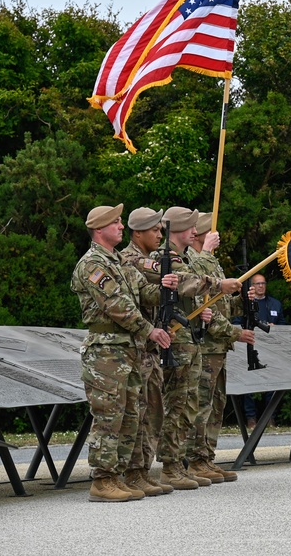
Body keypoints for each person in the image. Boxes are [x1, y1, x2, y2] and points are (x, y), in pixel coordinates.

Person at [71, 204, 176, 502]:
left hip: (127, 351)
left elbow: (144, 293)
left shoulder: (120, 262)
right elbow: (117, 306)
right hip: (106, 352)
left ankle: (126, 474)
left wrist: (168, 288)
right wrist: (149, 330)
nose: (121, 226)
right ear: (99, 229)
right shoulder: (93, 264)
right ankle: (103, 480)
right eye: (116, 223)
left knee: (132, 414)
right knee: (109, 417)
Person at [153, 206, 240, 490]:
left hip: (191, 340)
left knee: (190, 404)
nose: (196, 232)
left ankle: (180, 463)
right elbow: (187, 283)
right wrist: (219, 283)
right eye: (191, 227)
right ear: (178, 229)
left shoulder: (181, 258)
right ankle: (171, 465)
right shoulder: (164, 259)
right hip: (176, 341)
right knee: (178, 405)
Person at [185, 212, 254, 483]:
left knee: (215, 404)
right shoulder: (195, 261)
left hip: (217, 347)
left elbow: (219, 303)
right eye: (210, 233)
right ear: (200, 235)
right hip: (205, 344)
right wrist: (234, 332)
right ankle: (195, 459)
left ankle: (206, 457)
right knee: (201, 404)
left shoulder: (210, 262)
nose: (217, 237)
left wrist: (240, 302)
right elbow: (204, 307)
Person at [118, 206, 173, 496]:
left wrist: (167, 286)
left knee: (152, 412)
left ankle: (142, 470)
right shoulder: (128, 260)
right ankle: (131, 471)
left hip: (149, 348)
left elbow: (152, 294)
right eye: (155, 229)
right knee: (136, 413)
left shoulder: (149, 260)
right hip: (135, 348)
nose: (160, 233)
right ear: (138, 232)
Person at [239, 273, 286, 428]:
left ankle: (269, 418)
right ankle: (251, 418)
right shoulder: (244, 303)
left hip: (271, 349)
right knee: (249, 385)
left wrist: (276, 328)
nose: (261, 286)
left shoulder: (275, 304)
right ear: (251, 286)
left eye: (263, 283)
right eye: (257, 284)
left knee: (272, 385)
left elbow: (284, 325)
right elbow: (236, 323)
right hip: (251, 347)